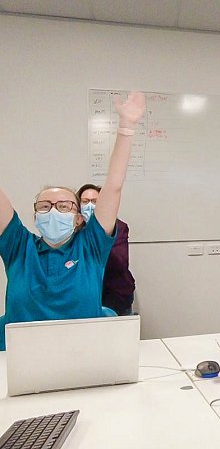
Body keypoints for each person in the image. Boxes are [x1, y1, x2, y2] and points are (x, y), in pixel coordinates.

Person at [0, 91, 145, 350]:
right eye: (45, 206)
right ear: (35, 216)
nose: (53, 210)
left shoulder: (90, 247)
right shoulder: (19, 247)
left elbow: (113, 187)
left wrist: (126, 127)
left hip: (85, 354)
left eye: (63, 206)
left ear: (79, 218)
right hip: (21, 358)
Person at [77, 183, 136, 316]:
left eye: (95, 201)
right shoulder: (74, 231)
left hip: (115, 294)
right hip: (84, 296)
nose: (90, 206)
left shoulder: (118, 228)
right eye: (85, 202)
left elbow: (119, 263)